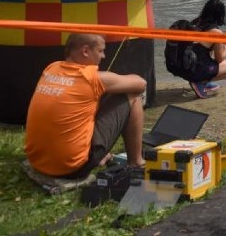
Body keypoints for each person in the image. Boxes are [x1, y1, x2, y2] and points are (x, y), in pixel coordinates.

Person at [25, 33, 146, 178]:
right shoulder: (91, 78)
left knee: (95, 97)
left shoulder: (51, 68)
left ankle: (99, 155)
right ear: (85, 51)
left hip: (38, 162)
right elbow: (141, 84)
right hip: (71, 168)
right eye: (100, 51)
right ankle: (136, 162)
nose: (103, 56)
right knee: (132, 96)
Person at [186, 0, 226, 99]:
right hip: (195, 69)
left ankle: (203, 81)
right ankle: (201, 82)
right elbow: (219, 59)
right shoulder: (216, 33)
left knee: (208, 57)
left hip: (184, 65)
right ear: (221, 15)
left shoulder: (194, 23)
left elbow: (201, 48)